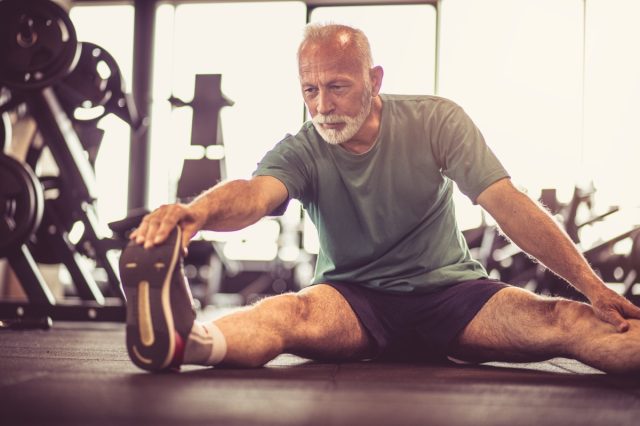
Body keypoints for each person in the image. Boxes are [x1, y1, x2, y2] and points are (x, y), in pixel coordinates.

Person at [119, 23, 640, 374]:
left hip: (453, 296)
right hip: (352, 299)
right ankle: (188, 342)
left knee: (565, 320)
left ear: (374, 80)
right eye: (310, 90)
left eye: (338, 87)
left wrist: (593, 286)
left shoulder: (436, 120)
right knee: (288, 312)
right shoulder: (304, 148)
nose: (323, 106)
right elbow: (255, 195)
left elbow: (506, 203)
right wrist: (196, 213)